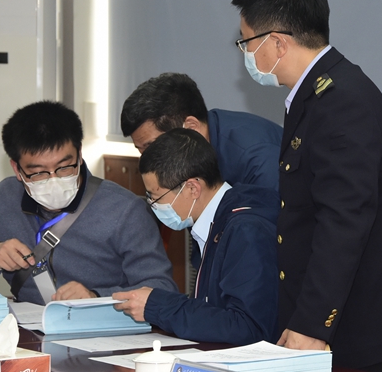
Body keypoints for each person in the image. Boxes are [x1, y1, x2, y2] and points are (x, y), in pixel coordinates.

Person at [231, 0, 382, 372]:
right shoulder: (317, 92)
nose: (245, 52)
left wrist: (310, 324)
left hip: (362, 333)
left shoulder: (341, 104)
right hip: (333, 319)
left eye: (246, 41)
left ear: (277, 43)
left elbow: (343, 222)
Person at [0, 101, 177, 305]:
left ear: (79, 154)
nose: (54, 180)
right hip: (30, 331)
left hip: (100, 332)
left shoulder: (124, 209)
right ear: (16, 168)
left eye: (64, 167)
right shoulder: (3, 198)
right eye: (38, 172)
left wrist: (97, 297)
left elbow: (162, 288)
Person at [113, 128, 279, 345]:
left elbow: (246, 327)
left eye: (156, 197)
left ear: (192, 188)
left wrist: (158, 307)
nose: (153, 205)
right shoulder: (216, 221)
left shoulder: (245, 230)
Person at [120, 72, 282, 191]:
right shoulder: (189, 157)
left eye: (151, 147)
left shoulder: (257, 157)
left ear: (191, 127)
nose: (147, 160)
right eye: (140, 150)